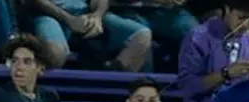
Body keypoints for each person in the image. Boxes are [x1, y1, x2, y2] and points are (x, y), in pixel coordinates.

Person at [177, 0, 249, 102]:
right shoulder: (198, 37)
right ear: (226, 10)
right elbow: (187, 86)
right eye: (241, 18)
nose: (245, 25)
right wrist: (225, 74)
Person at [21, 0, 151, 71]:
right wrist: (69, 20)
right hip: (51, 15)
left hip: (85, 13)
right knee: (55, 54)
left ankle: (113, 89)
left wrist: (97, 16)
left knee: (141, 36)